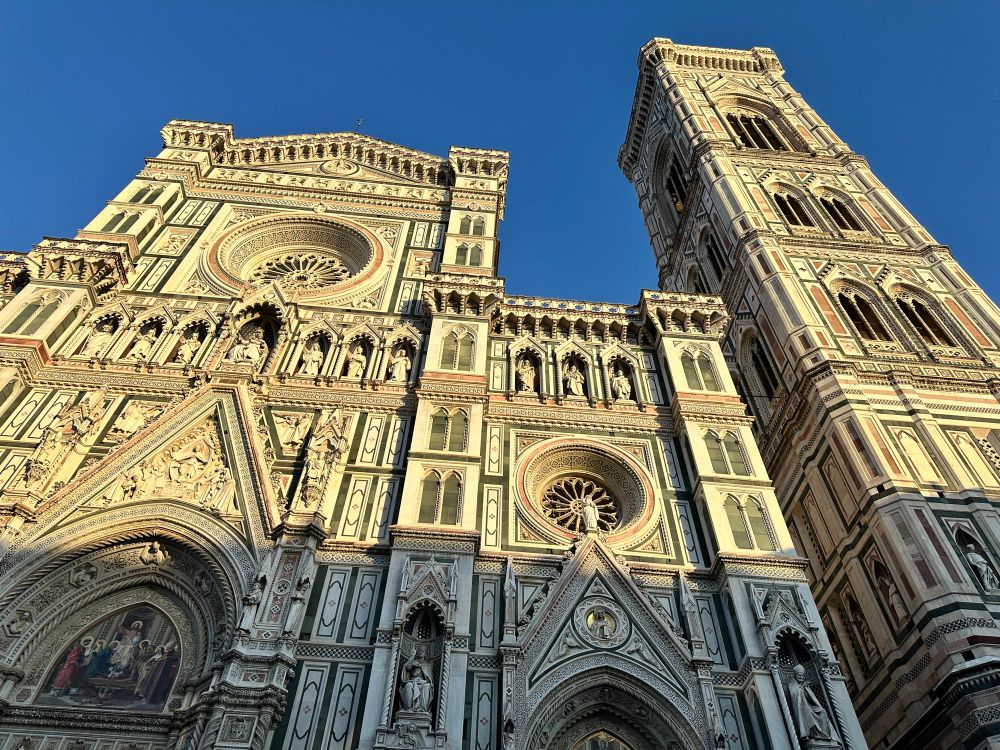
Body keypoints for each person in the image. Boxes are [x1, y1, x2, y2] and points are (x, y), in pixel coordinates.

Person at [786, 664, 837, 742]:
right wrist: (801, 689)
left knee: (822, 711)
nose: (801, 677)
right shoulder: (791, 685)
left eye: (802, 675)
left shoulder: (804, 684)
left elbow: (811, 699)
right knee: (808, 711)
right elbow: (794, 697)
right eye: (799, 675)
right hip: (801, 708)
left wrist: (805, 689)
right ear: (795, 675)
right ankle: (813, 734)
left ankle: (823, 735)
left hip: (809, 706)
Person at [399, 645, 434, 713]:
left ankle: (422, 709)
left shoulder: (427, 665)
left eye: (422, 651)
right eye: (419, 650)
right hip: (412, 681)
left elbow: (430, 680)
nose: (421, 652)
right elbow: (406, 668)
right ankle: (408, 708)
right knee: (408, 686)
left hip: (422, 683)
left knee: (427, 687)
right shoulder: (413, 662)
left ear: (425, 653)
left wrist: (423, 681)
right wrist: (412, 657)